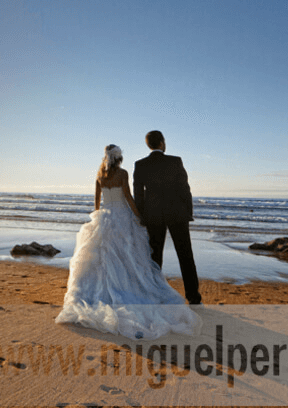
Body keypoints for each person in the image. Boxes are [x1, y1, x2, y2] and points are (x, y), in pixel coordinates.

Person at [55, 144, 200, 339]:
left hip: (105, 217)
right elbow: (129, 198)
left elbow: (96, 203)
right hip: (122, 217)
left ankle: (102, 291)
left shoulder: (99, 176)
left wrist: (101, 215)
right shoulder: (122, 174)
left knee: (103, 259)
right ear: (119, 158)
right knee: (128, 256)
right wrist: (139, 216)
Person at [133, 130, 201, 305]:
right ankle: (193, 297)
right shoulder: (175, 161)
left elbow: (138, 195)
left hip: (153, 216)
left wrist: (142, 217)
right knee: (185, 256)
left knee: (155, 258)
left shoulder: (140, 165)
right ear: (162, 143)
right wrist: (189, 213)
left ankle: (154, 294)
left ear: (149, 145)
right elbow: (185, 189)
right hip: (177, 214)